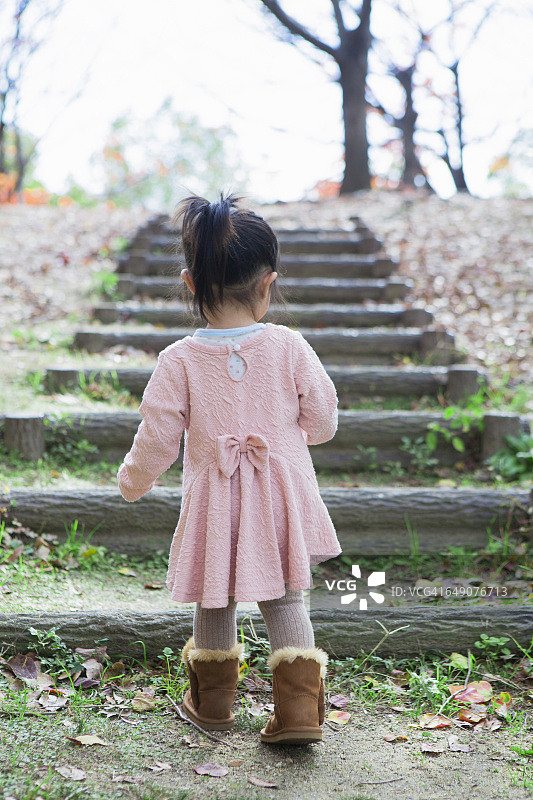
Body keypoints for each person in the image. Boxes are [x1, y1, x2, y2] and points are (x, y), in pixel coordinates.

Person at [117, 192, 341, 745]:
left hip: (215, 500)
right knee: (287, 596)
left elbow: (157, 439)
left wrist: (134, 480)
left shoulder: (179, 361)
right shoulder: (289, 346)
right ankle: (300, 713)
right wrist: (296, 442)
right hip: (280, 496)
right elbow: (325, 415)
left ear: (191, 285)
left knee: (213, 594)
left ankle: (213, 703)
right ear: (267, 285)